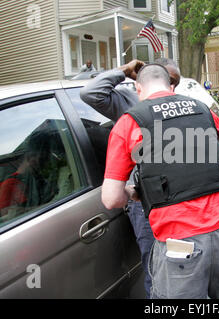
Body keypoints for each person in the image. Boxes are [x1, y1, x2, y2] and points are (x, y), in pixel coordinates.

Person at [101, 63, 219, 299]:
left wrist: (135, 191)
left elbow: (111, 199)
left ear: (138, 88)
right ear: (170, 85)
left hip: (180, 243)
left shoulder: (130, 122)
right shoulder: (204, 110)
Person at [80, 58, 181, 299]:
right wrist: (124, 71)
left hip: (181, 196)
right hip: (147, 201)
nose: (171, 88)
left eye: (175, 82)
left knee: (184, 262)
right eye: (168, 80)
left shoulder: (181, 104)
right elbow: (89, 93)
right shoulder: (127, 101)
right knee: (156, 266)